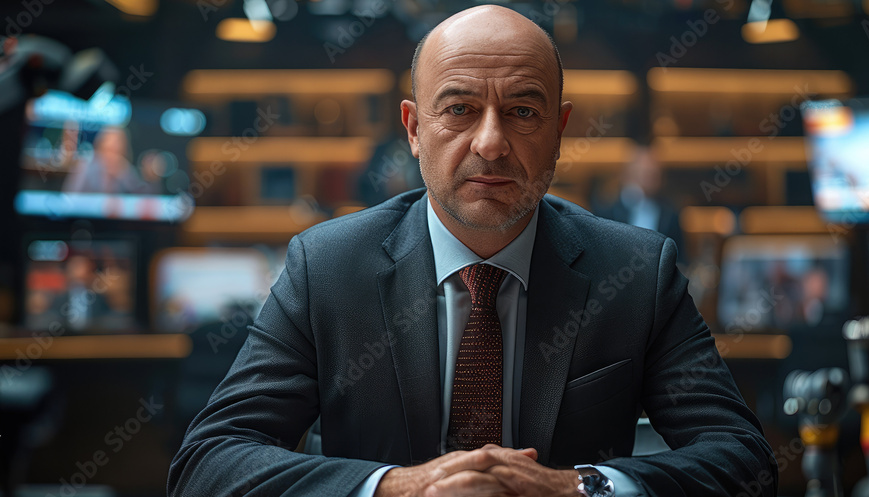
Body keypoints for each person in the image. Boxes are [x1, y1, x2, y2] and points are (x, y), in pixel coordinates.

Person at [168, 5, 776, 496]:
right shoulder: (326, 267)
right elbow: (208, 463)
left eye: (522, 111)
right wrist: (395, 489)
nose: (491, 143)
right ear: (412, 128)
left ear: (560, 131)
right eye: (459, 109)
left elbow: (744, 462)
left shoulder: (639, 273)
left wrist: (580, 488)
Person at [592, 145, 685, 265]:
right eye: (644, 173)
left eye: (654, 174)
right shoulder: (607, 211)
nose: (650, 180)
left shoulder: (670, 215)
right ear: (628, 175)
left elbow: (680, 259)